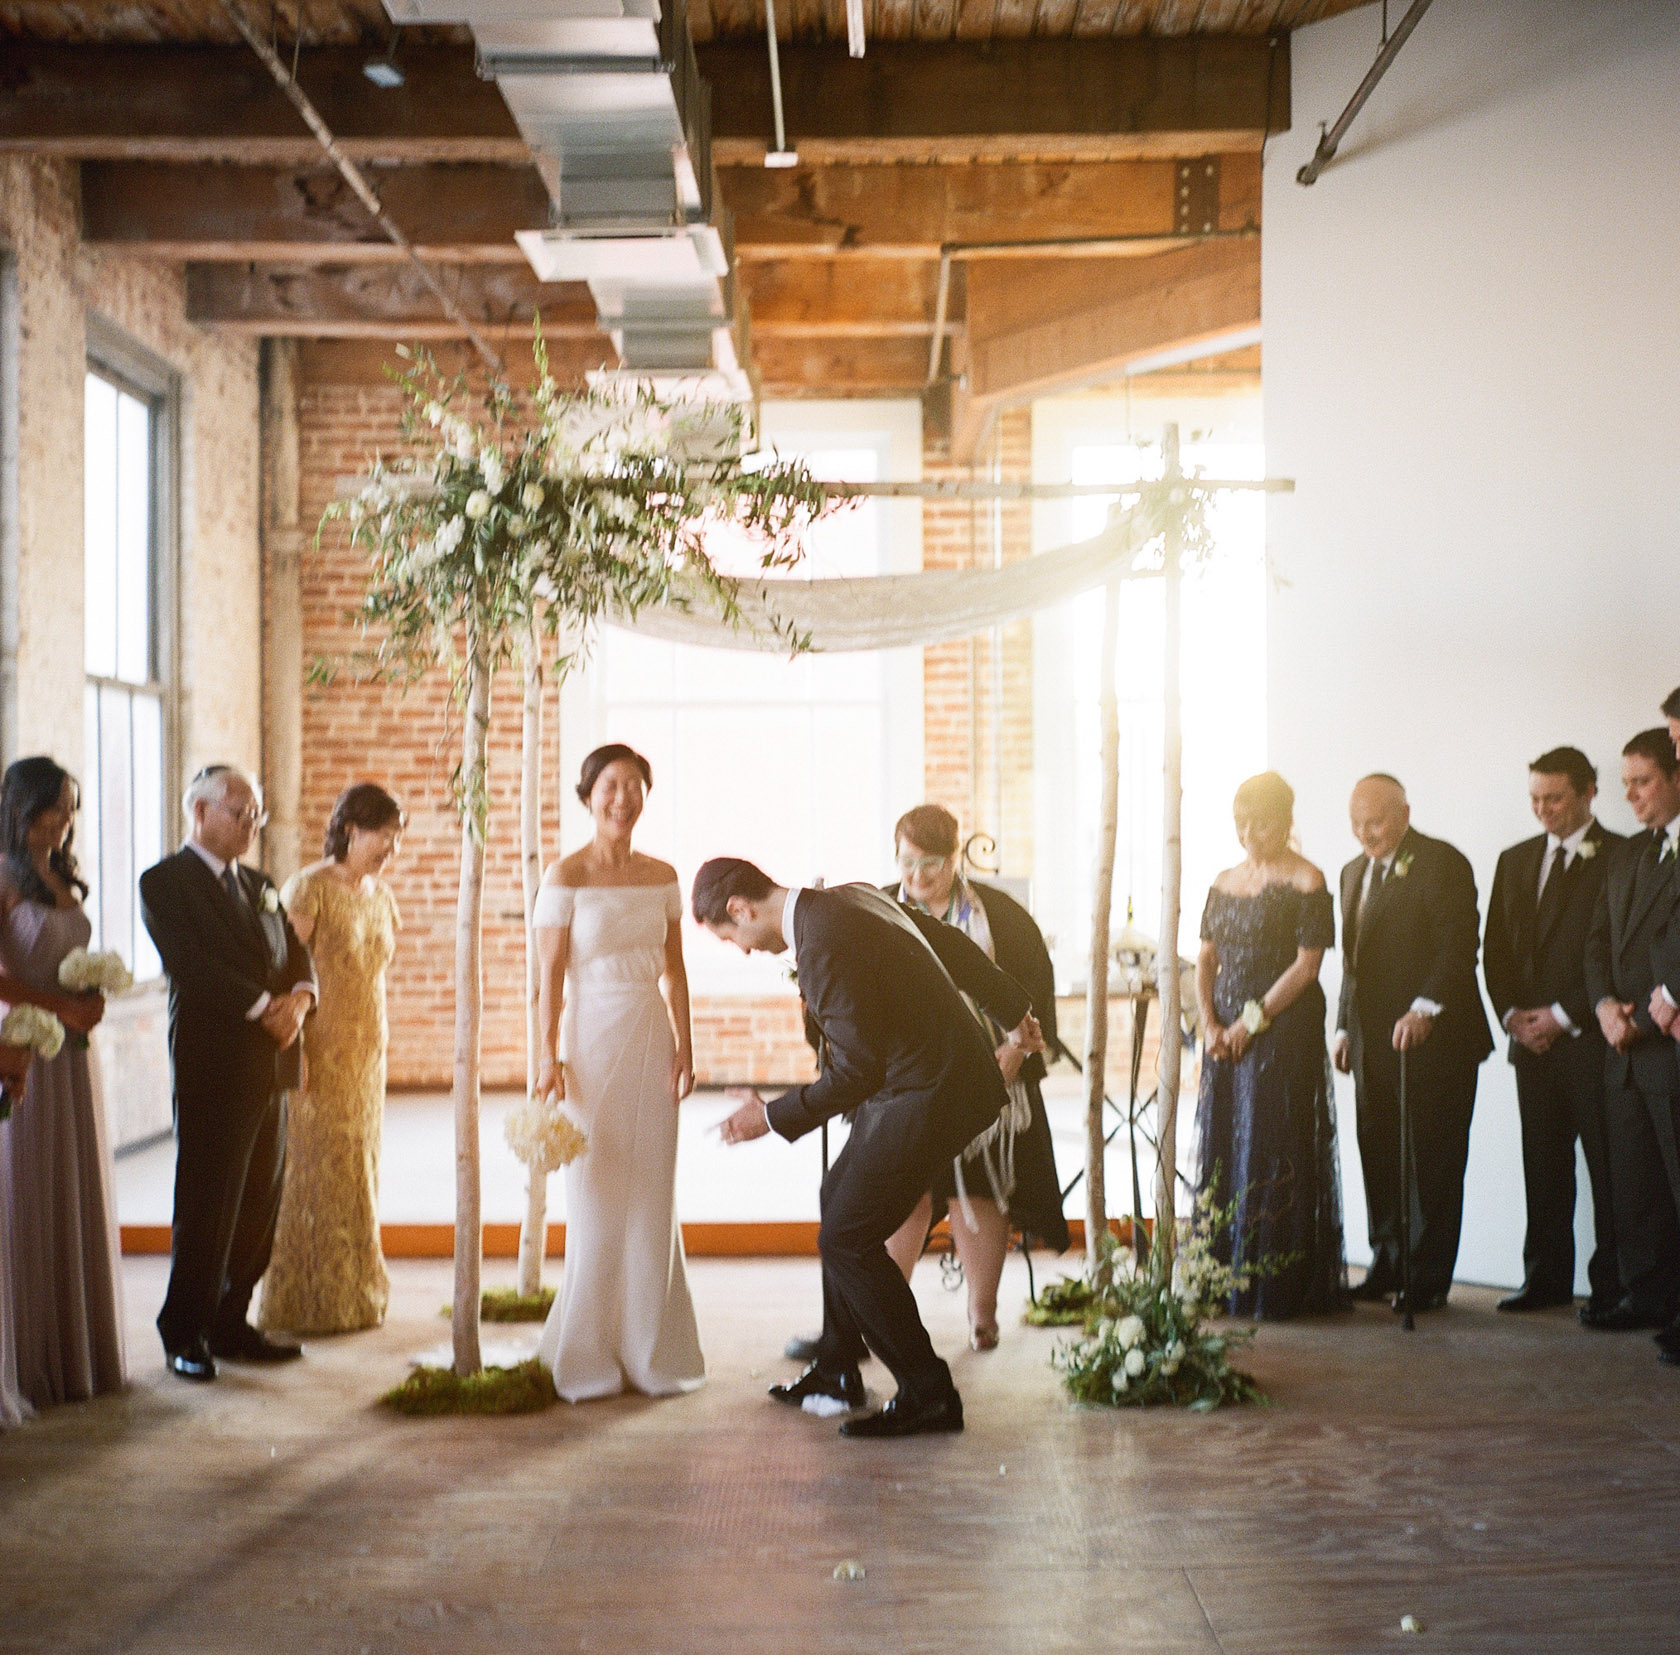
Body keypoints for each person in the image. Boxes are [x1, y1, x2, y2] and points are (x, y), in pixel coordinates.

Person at [701, 858, 1041, 1440]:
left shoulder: (820, 944)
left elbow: (856, 1071)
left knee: (847, 1235)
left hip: (929, 1092)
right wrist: (1015, 1013)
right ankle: (837, 1369)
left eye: (731, 938)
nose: (742, 950)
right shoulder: (850, 899)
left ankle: (929, 1392)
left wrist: (771, 1115)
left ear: (740, 908)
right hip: (928, 1083)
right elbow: (952, 947)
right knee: (838, 1195)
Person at [531, 744, 704, 1403]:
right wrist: (546, 1054)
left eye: (634, 785)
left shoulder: (662, 873)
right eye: (610, 785)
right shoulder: (565, 873)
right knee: (598, 1191)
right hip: (591, 1038)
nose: (622, 797)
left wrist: (686, 1047)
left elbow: (676, 969)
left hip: (651, 1034)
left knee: (653, 1188)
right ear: (588, 794)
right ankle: (588, 1351)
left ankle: (652, 1349)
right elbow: (548, 975)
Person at [140, 766, 316, 1381]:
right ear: (199, 811)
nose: (251, 824)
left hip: (272, 1063)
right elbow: (190, 963)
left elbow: (297, 953)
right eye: (239, 812)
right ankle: (183, 1329)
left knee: (260, 1200)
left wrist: (300, 997)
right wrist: (263, 1007)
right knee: (208, 1200)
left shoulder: (262, 884)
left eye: (257, 814)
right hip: (214, 1064)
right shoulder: (164, 882)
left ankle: (231, 1319)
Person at [882, 805, 1067, 1350]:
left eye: (932, 863)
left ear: (957, 857)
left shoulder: (1003, 917)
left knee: (980, 1189)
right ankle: (883, 1314)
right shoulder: (877, 908)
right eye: (908, 861)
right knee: (901, 1193)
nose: (918, 876)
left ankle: (982, 1316)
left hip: (993, 1073)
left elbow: (1033, 996)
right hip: (905, 1083)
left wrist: (1010, 1060)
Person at [1334, 775, 1493, 1311]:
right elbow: (1351, 964)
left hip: (1437, 1044)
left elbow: (1458, 948)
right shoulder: (1352, 872)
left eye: (1374, 821)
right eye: (1355, 824)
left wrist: (1425, 1008)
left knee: (1433, 1164)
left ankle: (1426, 1279)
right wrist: (1342, 1027)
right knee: (1377, 1155)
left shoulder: (1441, 862)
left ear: (1403, 812)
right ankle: (1387, 1263)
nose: (1365, 834)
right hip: (1370, 1045)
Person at [1194, 772, 1346, 1318]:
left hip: (1283, 1028)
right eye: (1240, 822)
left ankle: (1274, 1284)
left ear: (1285, 820)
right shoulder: (1223, 879)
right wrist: (1210, 1023)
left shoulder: (1308, 880)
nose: (1249, 833)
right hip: (1226, 1031)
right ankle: (1223, 1273)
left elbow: (1307, 967)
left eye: (1259, 822)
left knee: (1270, 1139)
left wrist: (1248, 1024)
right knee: (1224, 1139)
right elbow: (1206, 959)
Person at [0, 757, 126, 1407]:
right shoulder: (2, 875)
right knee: (27, 1190)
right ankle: (29, 1359)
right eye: (53, 808)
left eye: (71, 808)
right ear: (21, 805)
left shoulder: (62, 873)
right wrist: (58, 1008)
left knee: (68, 1184)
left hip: (72, 1056)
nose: (63, 820)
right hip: (25, 1045)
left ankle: (75, 1352)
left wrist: (88, 996)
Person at [258, 784, 404, 1337]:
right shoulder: (308, 888)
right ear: (349, 829)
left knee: (360, 1168)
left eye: (396, 837)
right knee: (314, 1173)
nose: (390, 847)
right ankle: (307, 1301)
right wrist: (295, 1051)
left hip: (368, 1053)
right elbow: (286, 970)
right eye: (382, 834)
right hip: (318, 1051)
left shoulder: (380, 895)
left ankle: (358, 1293)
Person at [1483, 748, 1623, 1316]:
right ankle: (1544, 1281)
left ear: (1589, 792)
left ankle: (1615, 1286)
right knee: (1542, 1166)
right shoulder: (1515, 859)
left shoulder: (1620, 855)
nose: (1543, 809)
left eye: (1555, 797)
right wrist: (1513, 1014)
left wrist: (1564, 1015)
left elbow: (1614, 951)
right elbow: (1494, 949)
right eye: (1535, 798)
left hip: (1590, 1042)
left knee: (1609, 1170)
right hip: (1531, 1045)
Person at [1583, 730, 1680, 1356]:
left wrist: (1643, 1016)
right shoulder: (1628, 854)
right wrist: (1602, 1009)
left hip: (1665, 1043)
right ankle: (1647, 1297)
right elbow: (1596, 941)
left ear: (1676, 777)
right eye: (1625, 783)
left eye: (1641, 781)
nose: (1630, 794)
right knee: (1636, 1186)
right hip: (1623, 1047)